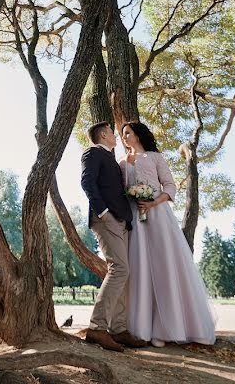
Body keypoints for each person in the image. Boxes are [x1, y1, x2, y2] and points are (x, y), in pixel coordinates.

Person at [120, 121, 216, 347]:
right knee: (140, 269)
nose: (124, 137)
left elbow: (170, 186)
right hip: (135, 218)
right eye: (122, 134)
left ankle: (165, 329)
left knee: (164, 268)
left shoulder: (155, 157)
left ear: (138, 134)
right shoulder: (123, 163)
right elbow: (122, 191)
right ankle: (141, 329)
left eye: (128, 133)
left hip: (159, 216)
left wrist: (153, 203)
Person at [79, 122, 147, 352]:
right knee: (119, 269)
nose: (116, 136)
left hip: (121, 221)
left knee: (123, 273)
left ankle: (118, 329)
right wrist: (104, 212)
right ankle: (97, 328)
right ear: (104, 134)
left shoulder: (111, 157)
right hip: (106, 219)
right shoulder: (92, 153)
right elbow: (87, 182)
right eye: (112, 131)